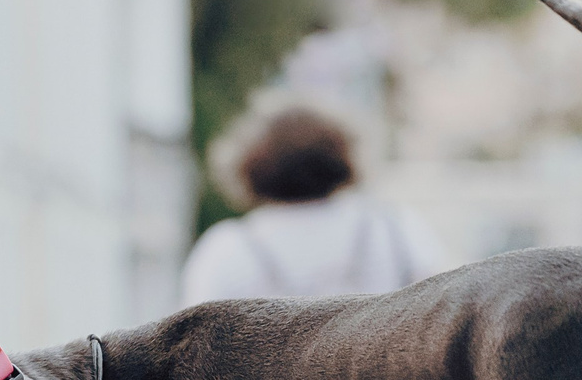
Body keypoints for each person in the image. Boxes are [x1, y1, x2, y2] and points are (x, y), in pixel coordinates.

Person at [179, 104, 447, 306]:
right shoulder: (395, 228)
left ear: (249, 167)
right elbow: (440, 313)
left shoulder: (227, 247)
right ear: (344, 158)